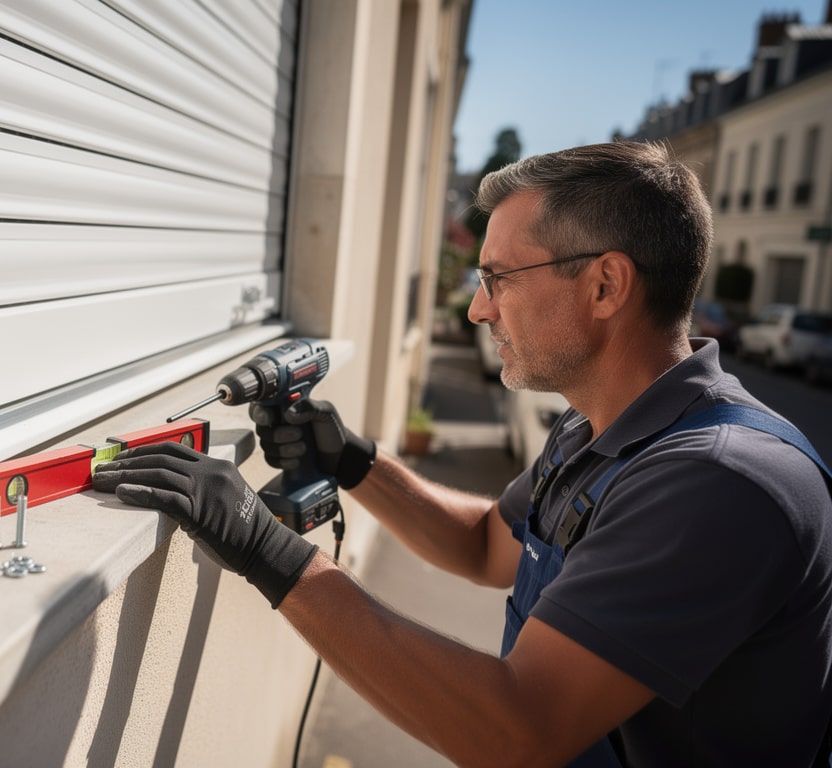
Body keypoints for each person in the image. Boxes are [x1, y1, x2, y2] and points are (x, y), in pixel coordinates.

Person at [93, 141, 832, 767]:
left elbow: (519, 727)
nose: (479, 308)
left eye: (497, 278)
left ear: (606, 284)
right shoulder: (598, 430)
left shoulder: (718, 482)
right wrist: (355, 462)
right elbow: (486, 545)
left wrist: (265, 550)